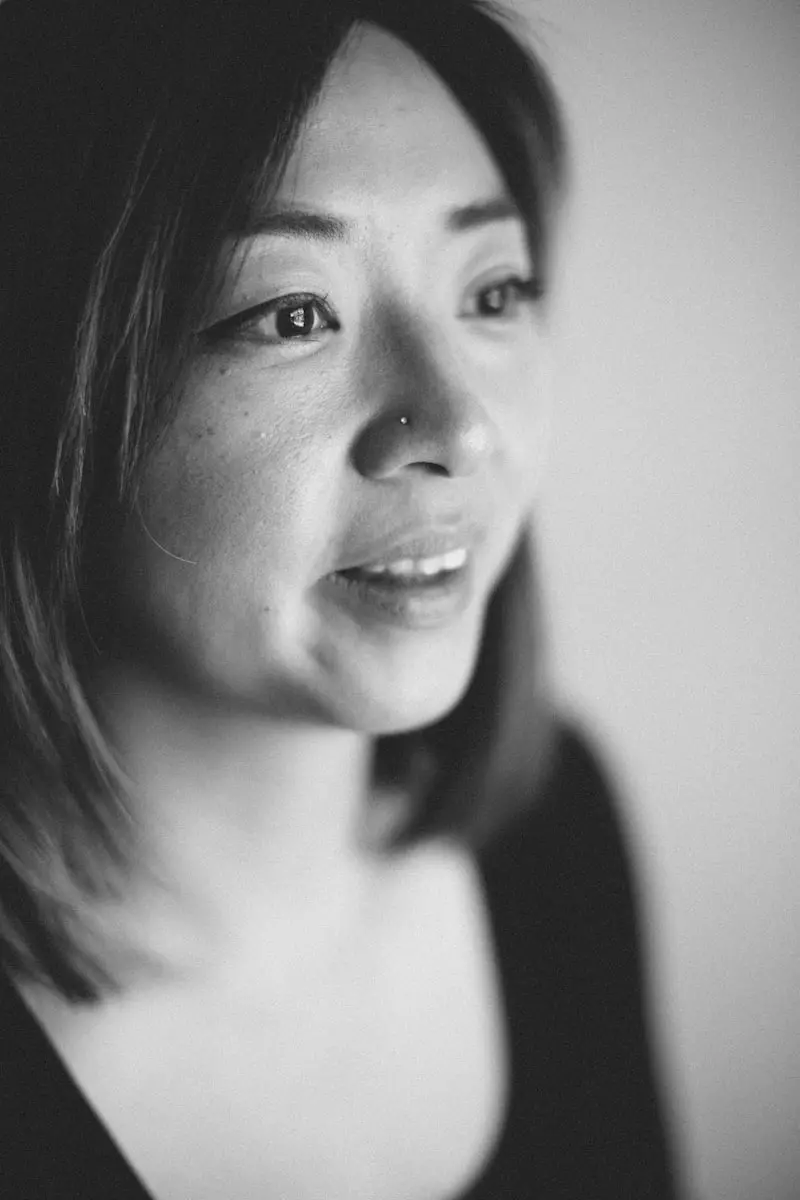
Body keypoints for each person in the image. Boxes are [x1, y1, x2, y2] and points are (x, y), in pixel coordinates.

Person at [0, 0, 680, 1196]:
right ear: (48, 394)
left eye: (492, 292)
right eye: (291, 313)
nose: (458, 427)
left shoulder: (551, 836)